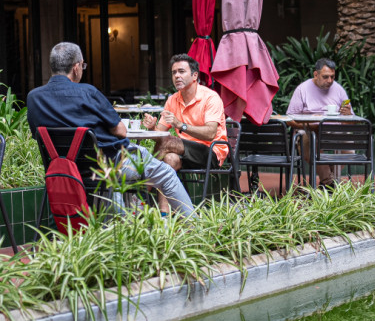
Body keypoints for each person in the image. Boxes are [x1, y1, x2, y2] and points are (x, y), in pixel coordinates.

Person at [26, 42, 194, 216]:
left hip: (64, 170)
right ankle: (193, 224)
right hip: (108, 167)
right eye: (82, 66)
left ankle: (126, 218)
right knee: (166, 174)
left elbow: (37, 135)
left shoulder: (34, 98)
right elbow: (121, 130)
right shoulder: (88, 92)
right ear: (76, 68)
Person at [143, 54, 228, 212]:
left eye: (181, 71)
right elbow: (159, 135)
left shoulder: (210, 98)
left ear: (194, 76)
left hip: (211, 151)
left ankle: (142, 192)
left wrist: (180, 125)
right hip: (183, 152)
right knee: (169, 159)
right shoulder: (173, 100)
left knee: (169, 142)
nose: (177, 76)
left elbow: (210, 133)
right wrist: (152, 128)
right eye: (174, 72)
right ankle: (164, 215)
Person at [287, 58, 353, 188]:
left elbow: (350, 122)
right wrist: (311, 126)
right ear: (316, 74)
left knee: (349, 151)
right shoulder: (302, 89)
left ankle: (327, 181)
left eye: (332, 77)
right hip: (309, 131)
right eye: (325, 77)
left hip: (333, 131)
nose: (330, 80)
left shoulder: (338, 89)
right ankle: (329, 183)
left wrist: (348, 115)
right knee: (309, 145)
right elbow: (290, 119)